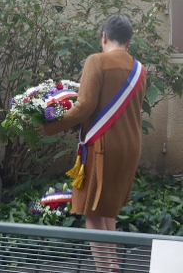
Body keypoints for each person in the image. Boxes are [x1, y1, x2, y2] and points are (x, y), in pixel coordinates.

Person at [42, 15, 146, 273]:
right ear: (129, 42)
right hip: (130, 146)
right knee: (107, 210)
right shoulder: (139, 69)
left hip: (103, 146)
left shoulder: (96, 61)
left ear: (103, 37)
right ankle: (112, 265)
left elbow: (84, 107)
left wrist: (47, 127)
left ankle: (103, 268)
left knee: (93, 212)